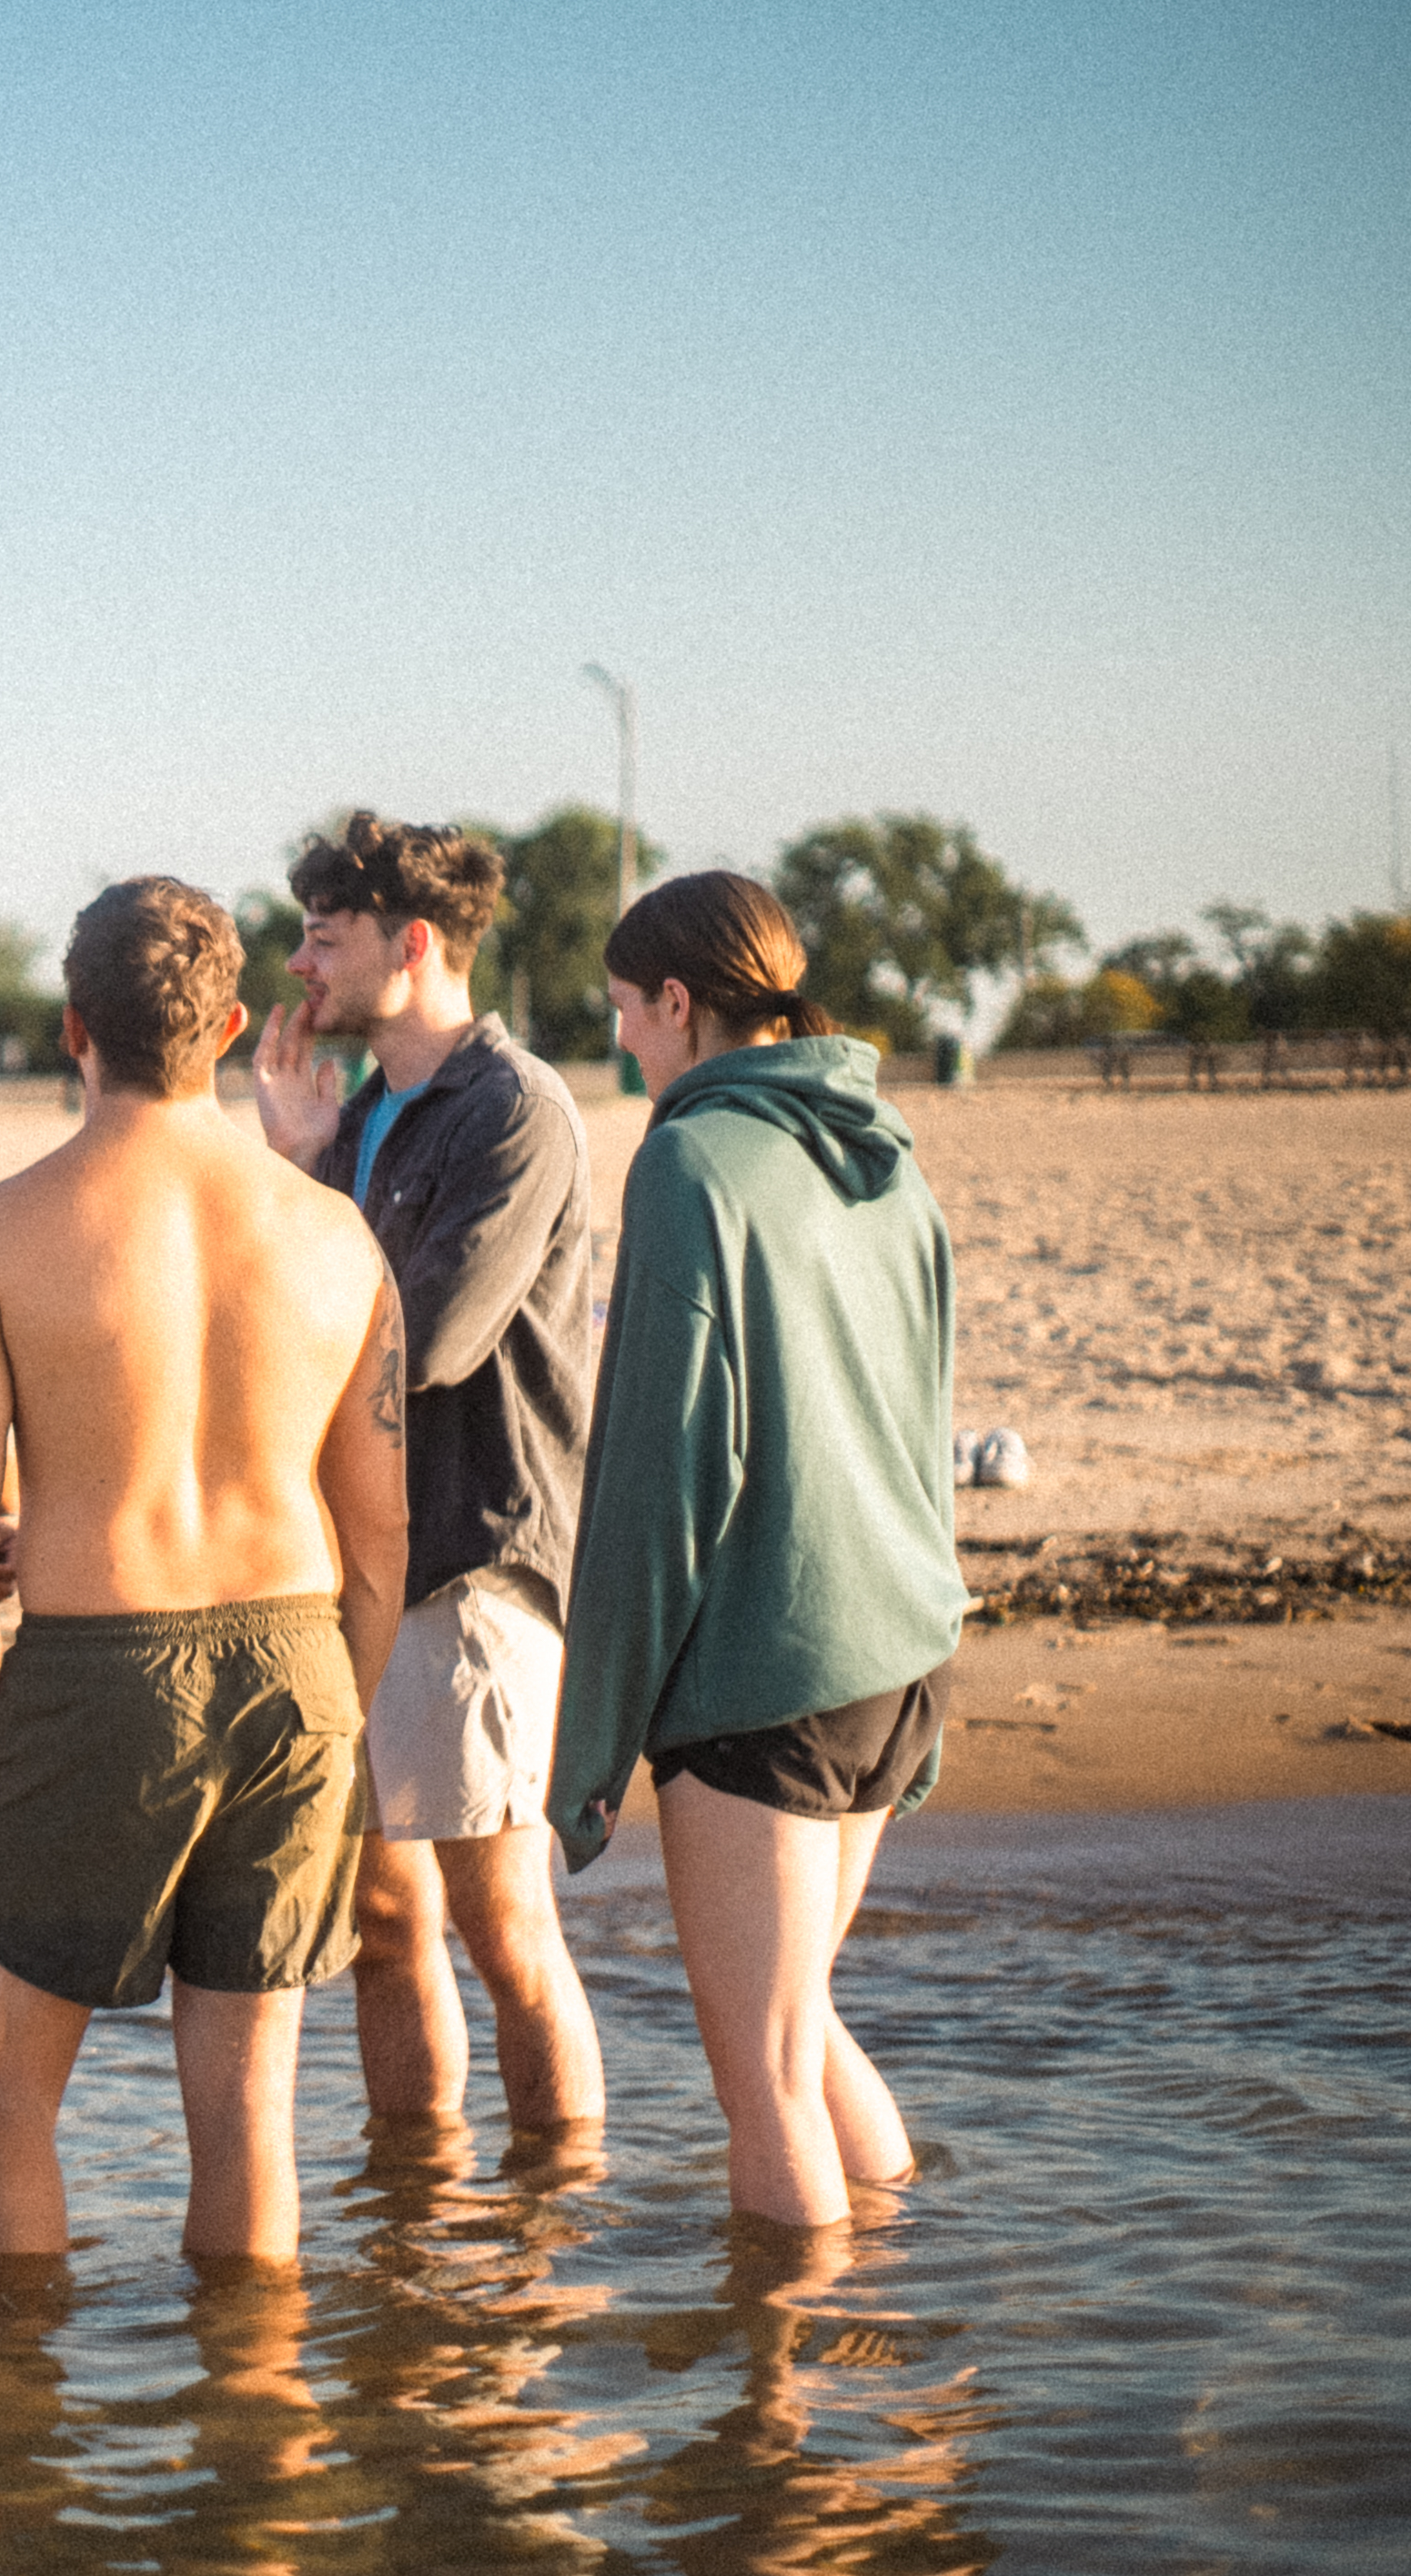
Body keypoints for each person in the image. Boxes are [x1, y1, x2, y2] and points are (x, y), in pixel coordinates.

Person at [0, 877, 408, 2267]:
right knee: (251, 2116)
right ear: (233, 1025)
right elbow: (380, 1533)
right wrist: (337, 1708)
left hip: (96, 1669)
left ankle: (18, 2450)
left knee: (11, 2103)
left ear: (76, 1028)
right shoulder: (334, 1235)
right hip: (298, 1656)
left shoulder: (2, 1228)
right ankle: (259, 2446)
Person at [548, 871, 966, 2231]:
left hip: (764, 1670)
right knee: (804, 2026)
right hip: (896, 1654)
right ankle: (897, 2333)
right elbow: (928, 1413)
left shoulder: (688, 1158)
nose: (623, 1048)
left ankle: (779, 2430)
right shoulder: (888, 1153)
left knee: (765, 2075)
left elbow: (657, 1480)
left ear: (679, 1003)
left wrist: (589, 1757)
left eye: (625, 1015)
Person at [251, 811, 607, 2145]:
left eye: (321, 937)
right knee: (387, 1927)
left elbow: (430, 1337)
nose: (300, 967)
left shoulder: (515, 1107)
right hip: (362, 1568)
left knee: (506, 1929)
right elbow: (328, 1305)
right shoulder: (363, 1119)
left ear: (410, 945)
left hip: (474, 1563)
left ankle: (545, 2245)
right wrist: (300, 1157)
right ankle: (418, 2244)